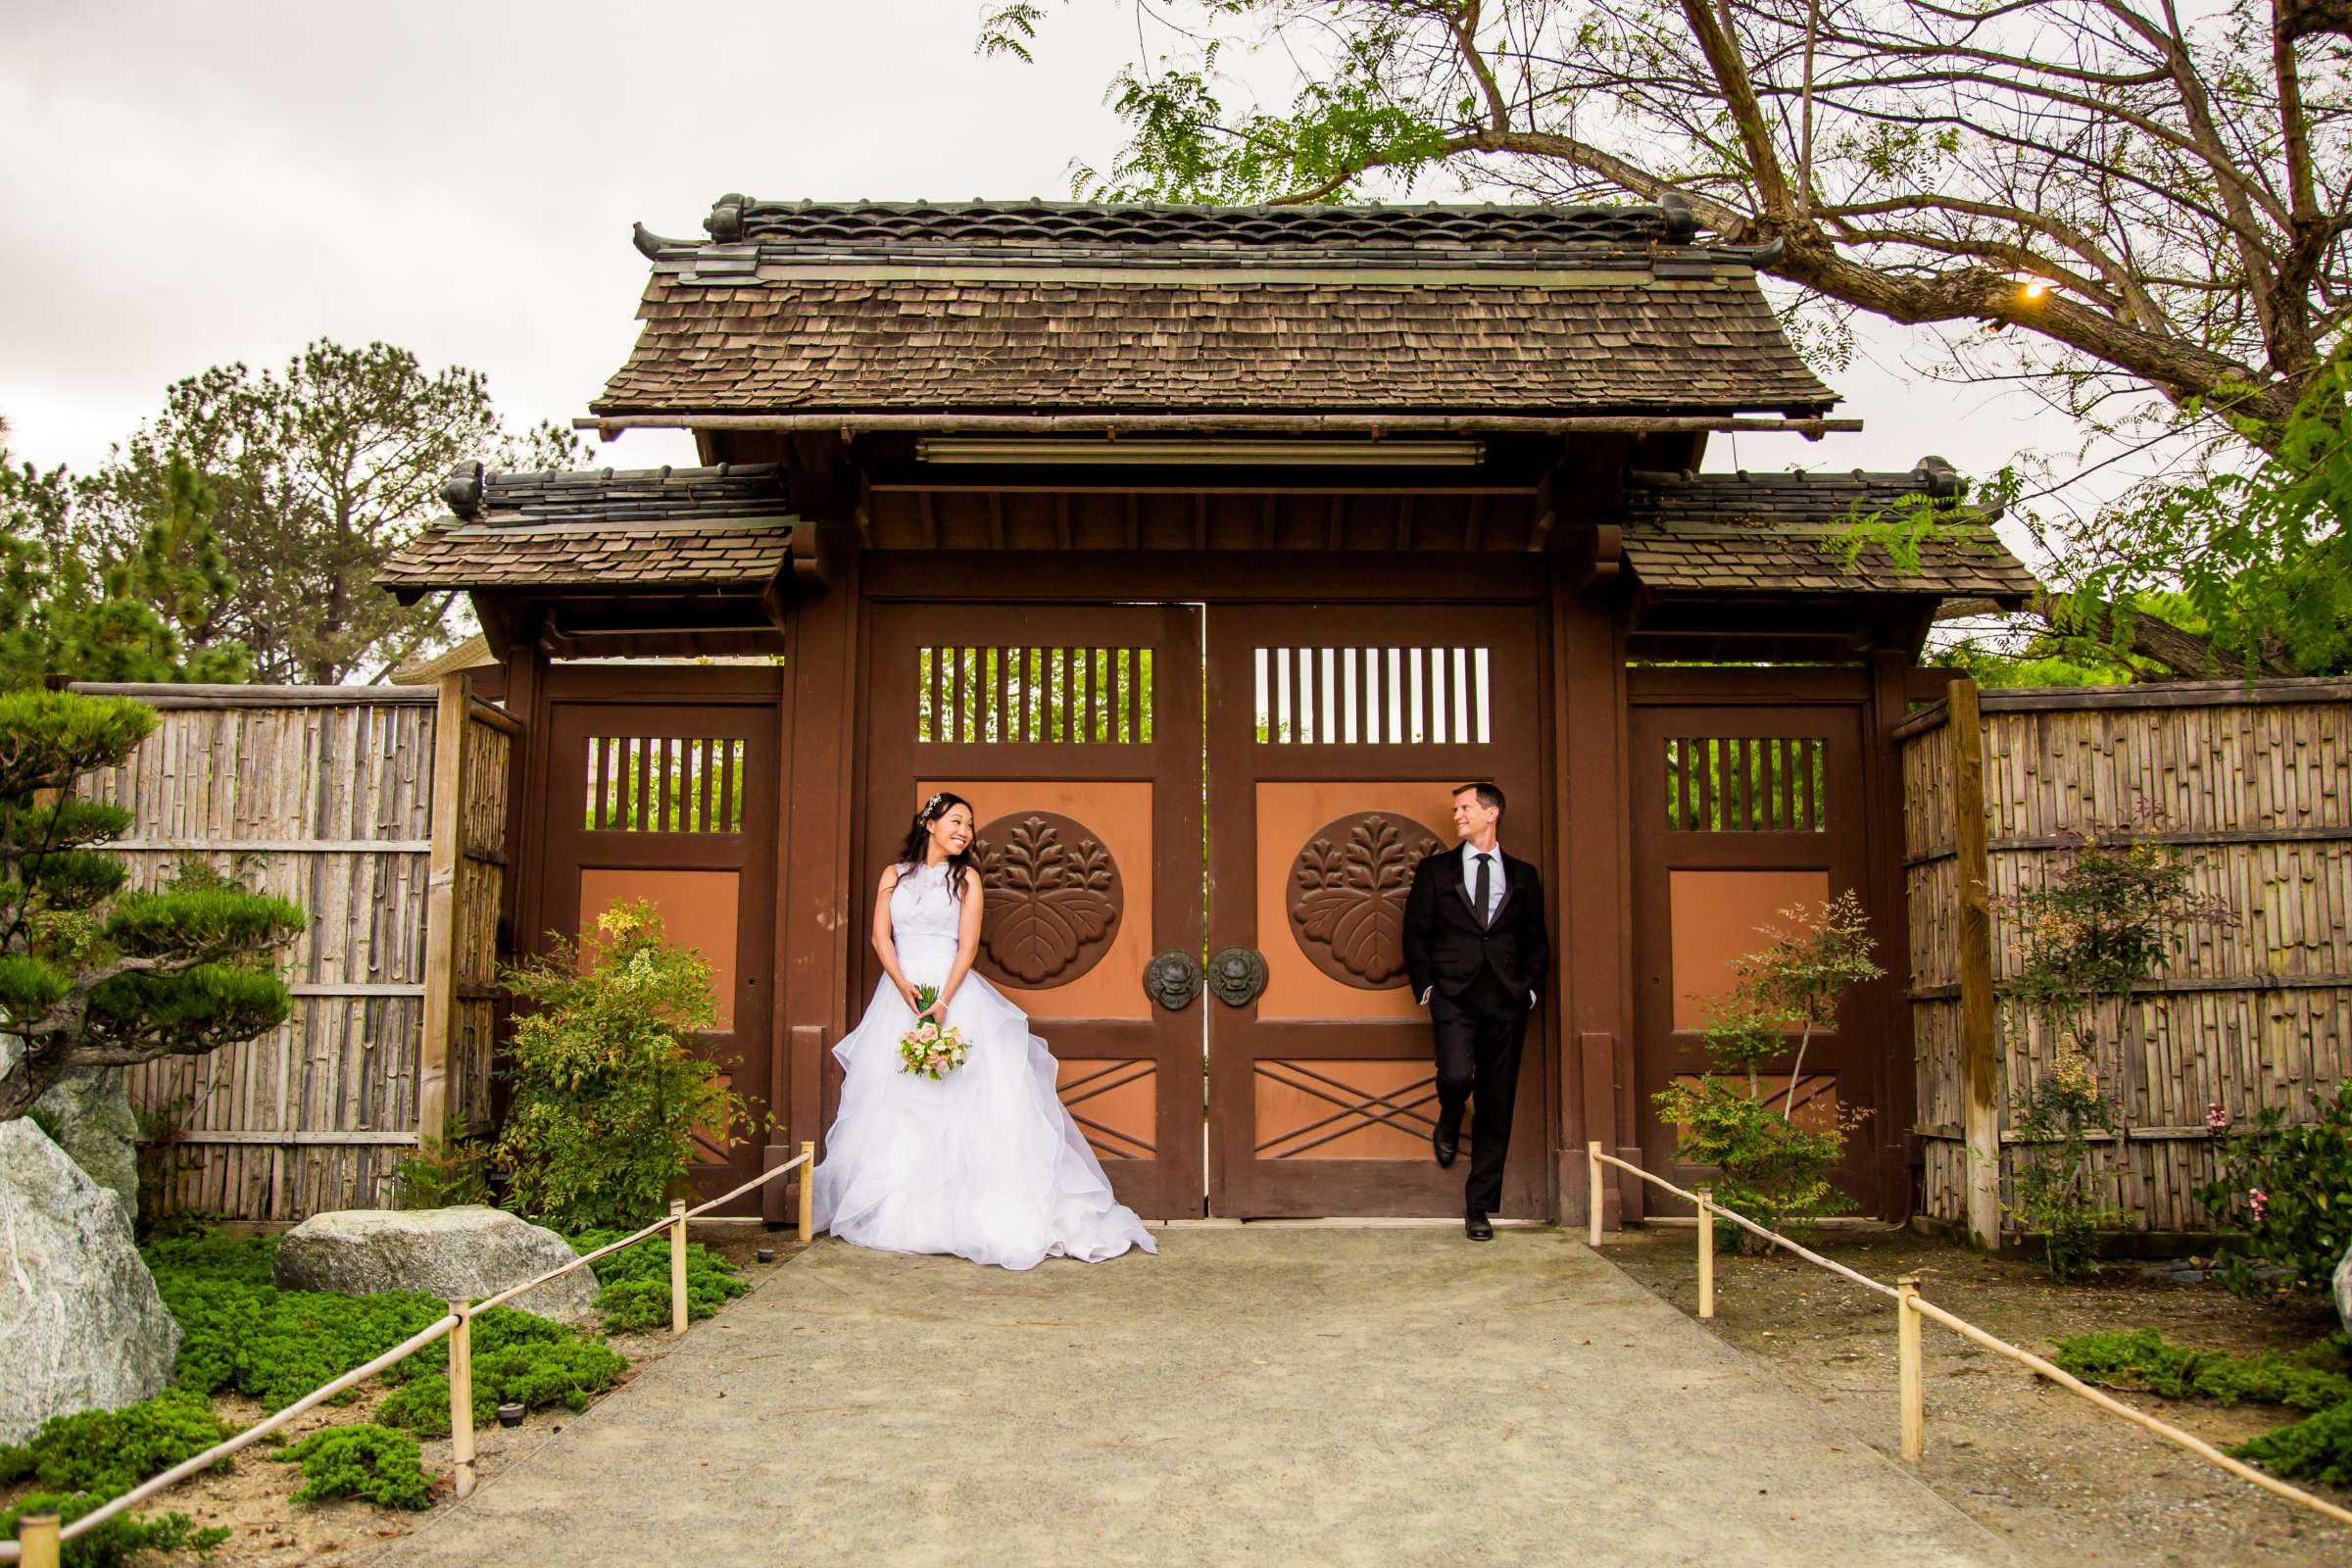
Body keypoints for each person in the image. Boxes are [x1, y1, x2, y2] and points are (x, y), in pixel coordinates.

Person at [808, 791, 1156, 1269]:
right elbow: (879, 936)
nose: (964, 832)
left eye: (969, 825)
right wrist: (904, 986)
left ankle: (972, 1210)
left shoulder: (967, 878)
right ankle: (906, 1211)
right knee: (898, 1099)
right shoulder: (895, 875)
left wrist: (943, 1002)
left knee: (967, 1097)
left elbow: (967, 946)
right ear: (928, 823)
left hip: (952, 992)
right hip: (901, 992)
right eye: (955, 822)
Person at [1400, 782, 1550, 1241]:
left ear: (1492, 813)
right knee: (1453, 1078)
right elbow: (1415, 932)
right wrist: (1427, 986)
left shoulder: (1523, 875)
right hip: (1453, 994)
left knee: (1497, 1101)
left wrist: (1529, 990)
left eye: (1465, 808)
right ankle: (1450, 1113)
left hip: (1506, 998)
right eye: (1455, 809)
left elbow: (1535, 939)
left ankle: (1479, 1206)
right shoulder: (1435, 871)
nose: (1457, 816)